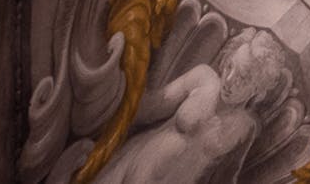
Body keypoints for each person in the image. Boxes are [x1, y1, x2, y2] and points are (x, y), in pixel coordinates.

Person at [92, 28, 298, 184]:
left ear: (257, 88)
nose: (229, 80)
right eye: (229, 66)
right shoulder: (203, 78)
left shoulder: (245, 128)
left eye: (243, 78)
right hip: (130, 169)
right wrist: (125, 71)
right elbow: (150, 109)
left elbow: (225, 179)